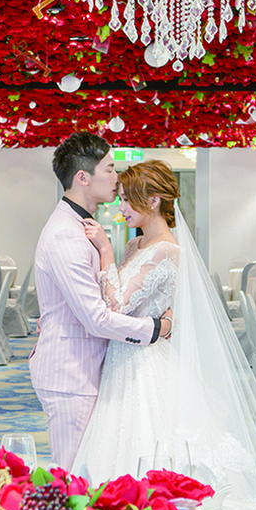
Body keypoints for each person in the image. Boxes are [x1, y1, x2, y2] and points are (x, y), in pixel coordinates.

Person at [71, 160, 256, 504]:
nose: (121, 207)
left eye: (128, 200)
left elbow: (115, 305)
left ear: (152, 201)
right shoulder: (136, 246)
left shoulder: (167, 249)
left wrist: (105, 251)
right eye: (121, 199)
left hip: (143, 360)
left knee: (149, 446)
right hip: (125, 355)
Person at [29, 133, 172, 470]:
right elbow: (95, 318)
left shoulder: (81, 226)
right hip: (70, 373)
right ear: (83, 177)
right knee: (73, 478)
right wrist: (155, 329)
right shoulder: (65, 233)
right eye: (109, 169)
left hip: (88, 367)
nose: (116, 177)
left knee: (92, 473)